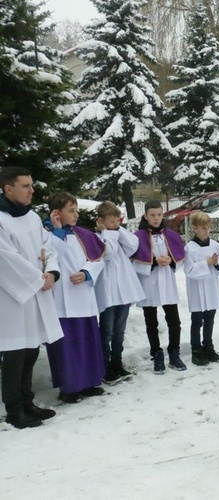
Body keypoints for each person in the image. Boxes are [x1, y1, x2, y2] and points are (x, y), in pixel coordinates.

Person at [0, 167, 63, 428]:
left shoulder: (33, 218)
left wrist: (51, 272)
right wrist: (39, 279)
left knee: (30, 351)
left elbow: (48, 246)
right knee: (15, 356)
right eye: (25, 186)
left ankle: (28, 402)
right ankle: (15, 411)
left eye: (31, 185)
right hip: (13, 299)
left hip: (36, 293)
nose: (32, 190)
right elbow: (6, 258)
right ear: (8, 189)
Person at [43, 192, 107, 403]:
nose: (76, 214)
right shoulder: (45, 233)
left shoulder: (83, 234)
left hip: (83, 296)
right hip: (61, 298)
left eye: (76, 210)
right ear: (56, 212)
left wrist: (86, 272)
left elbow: (97, 259)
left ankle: (89, 382)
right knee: (67, 345)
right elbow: (51, 256)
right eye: (71, 211)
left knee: (87, 340)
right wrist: (58, 232)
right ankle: (69, 387)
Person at [132, 200, 186, 373]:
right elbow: (133, 262)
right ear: (145, 216)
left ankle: (174, 353)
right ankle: (157, 354)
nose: (156, 218)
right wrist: (154, 262)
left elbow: (180, 257)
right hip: (149, 282)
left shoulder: (170, 234)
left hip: (167, 281)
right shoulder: (138, 236)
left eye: (159, 214)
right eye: (152, 215)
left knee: (174, 321)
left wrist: (171, 261)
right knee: (151, 322)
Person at [94, 201, 145, 384]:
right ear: (101, 221)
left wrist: (117, 229)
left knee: (119, 331)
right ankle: (105, 365)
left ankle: (117, 361)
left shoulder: (118, 234)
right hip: (108, 292)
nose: (116, 224)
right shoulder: (98, 237)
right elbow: (107, 252)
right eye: (112, 221)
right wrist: (106, 232)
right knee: (106, 331)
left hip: (123, 290)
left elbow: (134, 244)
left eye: (118, 221)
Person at [184, 211, 219, 366]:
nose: (207, 230)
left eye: (208, 227)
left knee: (210, 319)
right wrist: (206, 263)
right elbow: (189, 270)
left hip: (211, 287)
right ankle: (196, 349)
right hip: (196, 290)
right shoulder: (190, 248)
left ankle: (208, 346)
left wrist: (215, 264)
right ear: (194, 228)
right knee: (197, 321)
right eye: (203, 228)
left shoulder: (215, 245)